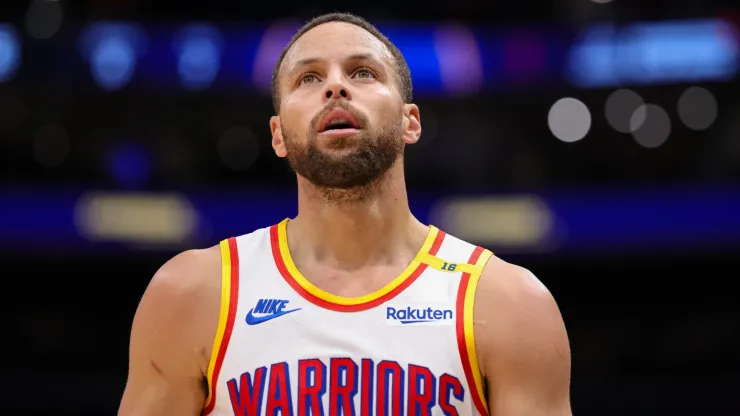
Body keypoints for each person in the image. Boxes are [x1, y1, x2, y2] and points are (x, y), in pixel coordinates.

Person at [118, 12, 571, 416]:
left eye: (362, 72)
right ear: (277, 135)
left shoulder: (509, 304)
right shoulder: (192, 294)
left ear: (410, 121)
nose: (335, 87)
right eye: (308, 79)